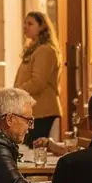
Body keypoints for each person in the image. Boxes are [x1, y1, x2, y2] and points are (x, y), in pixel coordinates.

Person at [13, 11, 61, 144]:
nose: (25, 26)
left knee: (37, 148)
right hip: (34, 110)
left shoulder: (45, 50)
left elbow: (38, 82)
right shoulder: (34, 49)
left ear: (42, 27)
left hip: (42, 111)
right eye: (25, 23)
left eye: (30, 24)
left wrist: (16, 92)